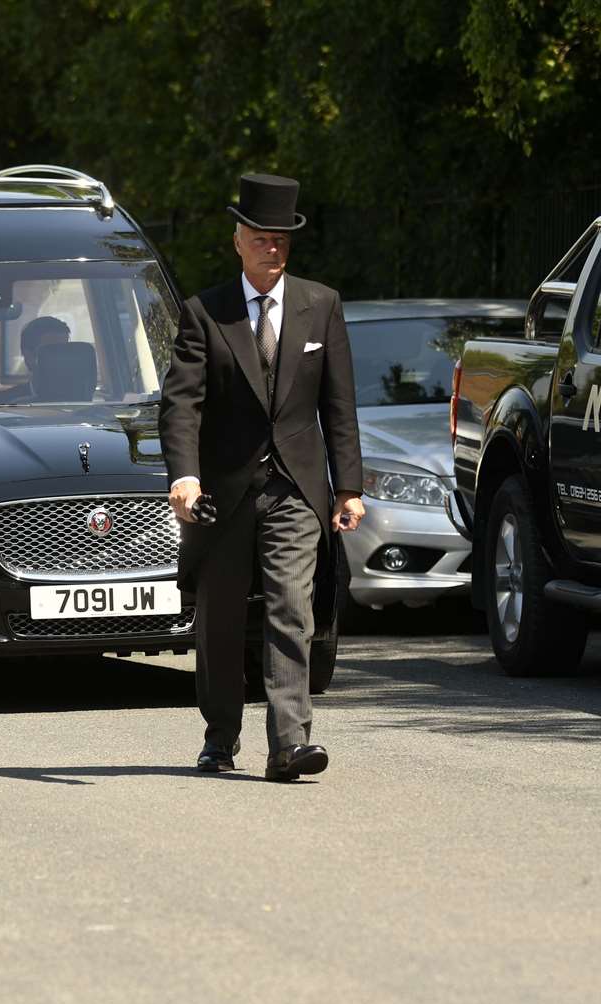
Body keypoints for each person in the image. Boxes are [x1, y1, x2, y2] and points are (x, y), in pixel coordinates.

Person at [159, 172, 364, 782]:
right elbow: (181, 406)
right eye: (261, 237)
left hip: (297, 487)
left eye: (282, 238)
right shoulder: (205, 313)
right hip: (223, 493)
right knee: (220, 620)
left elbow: (339, 404)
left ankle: (290, 743)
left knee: (290, 607)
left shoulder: (321, 305)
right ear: (238, 240)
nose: (272, 248)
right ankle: (220, 734)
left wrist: (348, 485)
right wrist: (186, 478)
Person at [0, 315, 71, 403]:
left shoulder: (81, 401)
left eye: (66, 351)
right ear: (28, 356)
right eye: (52, 352)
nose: (61, 359)